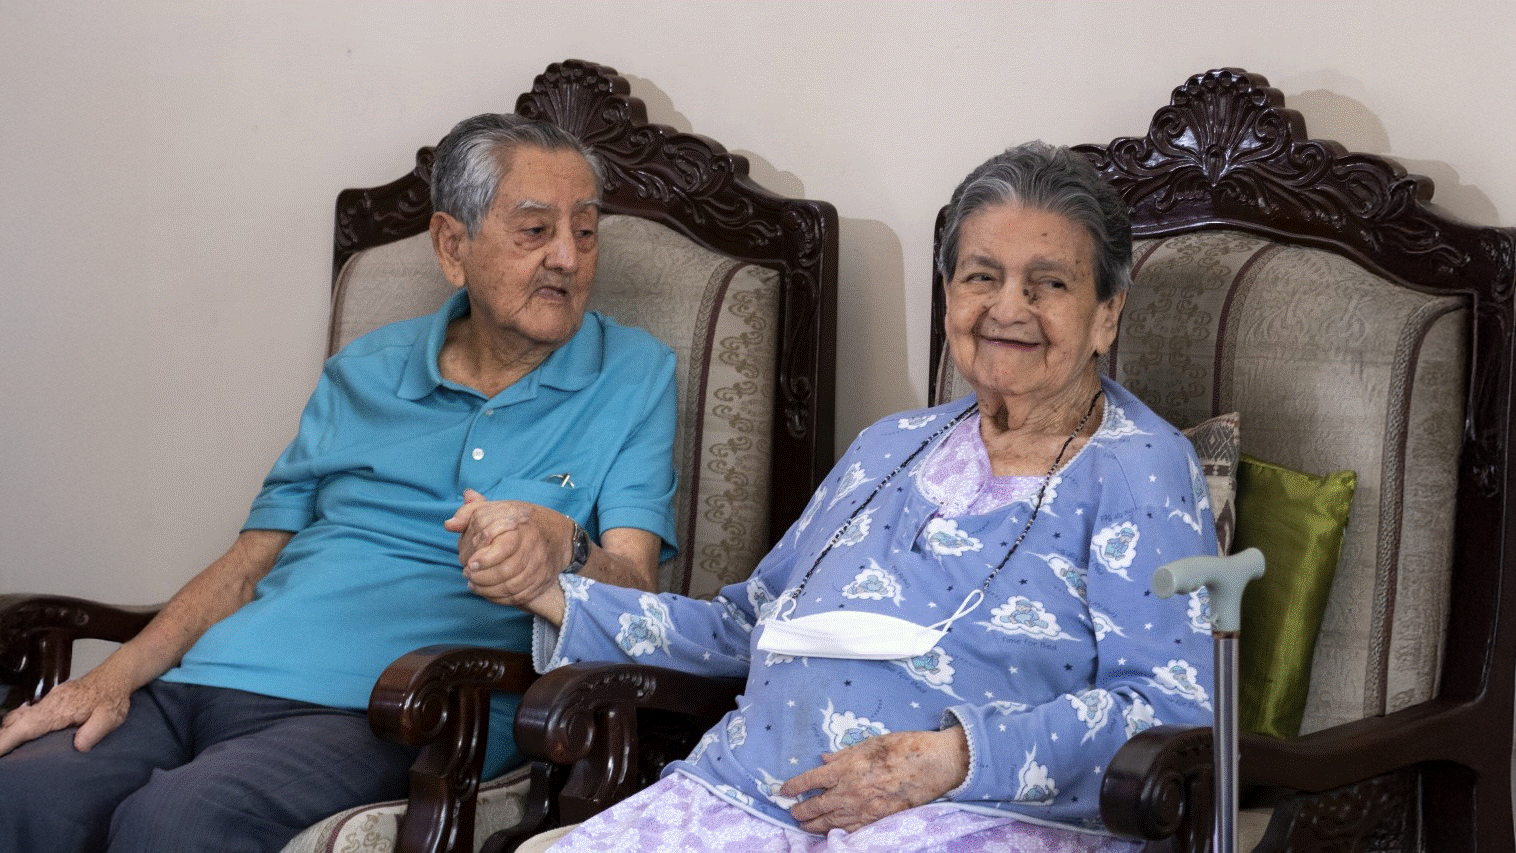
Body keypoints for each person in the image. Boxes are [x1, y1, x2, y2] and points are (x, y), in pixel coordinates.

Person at [462, 141, 1218, 853]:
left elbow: (1175, 706)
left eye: (1048, 282)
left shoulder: (1140, 469)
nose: (1007, 307)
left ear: (1107, 312)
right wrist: (559, 593)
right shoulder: (889, 447)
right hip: (747, 794)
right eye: (981, 276)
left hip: (962, 818)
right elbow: (746, 624)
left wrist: (956, 758)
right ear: (950, 294)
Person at [0, 113, 679, 853]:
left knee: (174, 823)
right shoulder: (367, 367)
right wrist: (112, 678)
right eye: (534, 230)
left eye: (585, 231)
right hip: (209, 679)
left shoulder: (634, 375)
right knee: (24, 792)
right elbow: (249, 560)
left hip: (390, 711)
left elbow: (640, 595)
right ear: (453, 247)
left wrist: (565, 548)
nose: (568, 259)